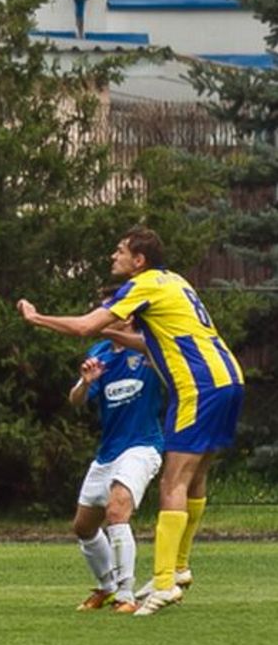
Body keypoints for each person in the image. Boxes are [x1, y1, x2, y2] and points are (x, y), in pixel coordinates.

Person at [17, 226, 245, 616]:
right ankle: (180, 567)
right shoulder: (173, 281)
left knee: (173, 482)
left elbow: (86, 326)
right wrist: (116, 335)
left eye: (120, 251)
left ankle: (163, 583)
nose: (113, 257)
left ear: (139, 260)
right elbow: (155, 341)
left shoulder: (143, 284)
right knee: (197, 476)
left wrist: (37, 318)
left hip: (199, 386)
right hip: (228, 378)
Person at [68, 317, 164, 614]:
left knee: (117, 511)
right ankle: (108, 587)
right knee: (83, 527)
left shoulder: (149, 348)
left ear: (130, 316)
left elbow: (168, 365)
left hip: (143, 446)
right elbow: (75, 401)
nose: (106, 315)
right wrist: (86, 382)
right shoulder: (100, 353)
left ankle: (126, 595)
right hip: (108, 452)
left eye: (113, 311)